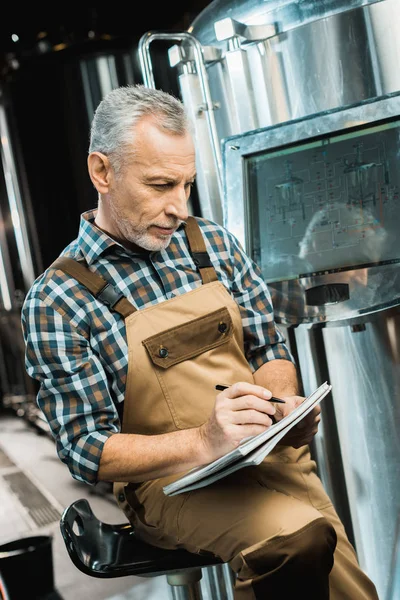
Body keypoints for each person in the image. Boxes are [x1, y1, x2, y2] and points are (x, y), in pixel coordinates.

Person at [21, 84, 379, 600]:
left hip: (269, 460)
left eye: (186, 185)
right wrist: (203, 443)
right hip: (172, 488)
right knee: (293, 542)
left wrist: (281, 406)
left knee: (345, 585)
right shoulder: (59, 299)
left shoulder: (211, 243)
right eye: (160, 185)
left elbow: (267, 346)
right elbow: (85, 448)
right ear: (102, 172)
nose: (178, 208)